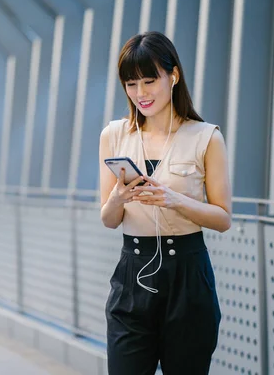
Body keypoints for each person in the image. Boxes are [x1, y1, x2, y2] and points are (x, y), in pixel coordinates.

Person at [98, 31, 232, 375]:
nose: (140, 93)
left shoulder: (206, 137)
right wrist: (119, 196)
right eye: (131, 84)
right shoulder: (114, 135)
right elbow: (109, 219)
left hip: (188, 275)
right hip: (132, 274)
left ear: (173, 76)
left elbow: (222, 218)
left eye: (148, 80)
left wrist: (175, 200)